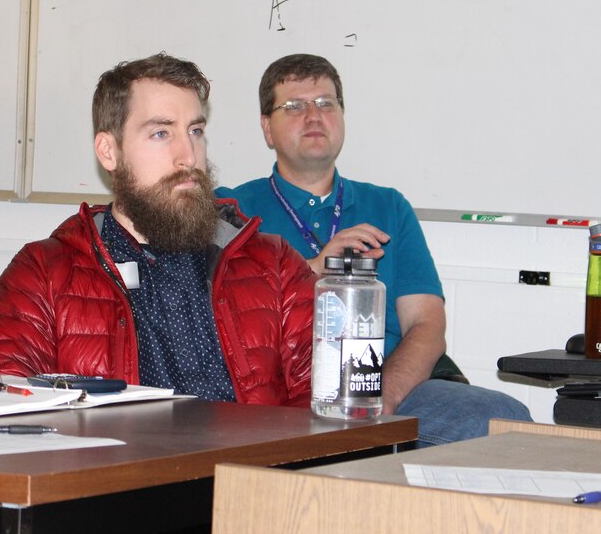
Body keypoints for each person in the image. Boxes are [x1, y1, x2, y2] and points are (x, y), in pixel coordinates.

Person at [218, 54, 533, 446]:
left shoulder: (388, 206)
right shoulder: (231, 211)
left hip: (385, 384)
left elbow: (427, 325)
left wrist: (384, 397)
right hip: (281, 395)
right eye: (295, 106)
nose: (314, 117)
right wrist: (313, 269)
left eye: (326, 103)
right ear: (267, 129)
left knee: (502, 420)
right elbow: (221, 320)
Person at [0, 52, 314, 408]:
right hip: (113, 464)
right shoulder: (43, 275)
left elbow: (326, 407)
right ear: (109, 152)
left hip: (245, 463)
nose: (188, 156)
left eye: (195, 131)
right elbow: (3, 409)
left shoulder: (274, 265)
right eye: (161, 133)